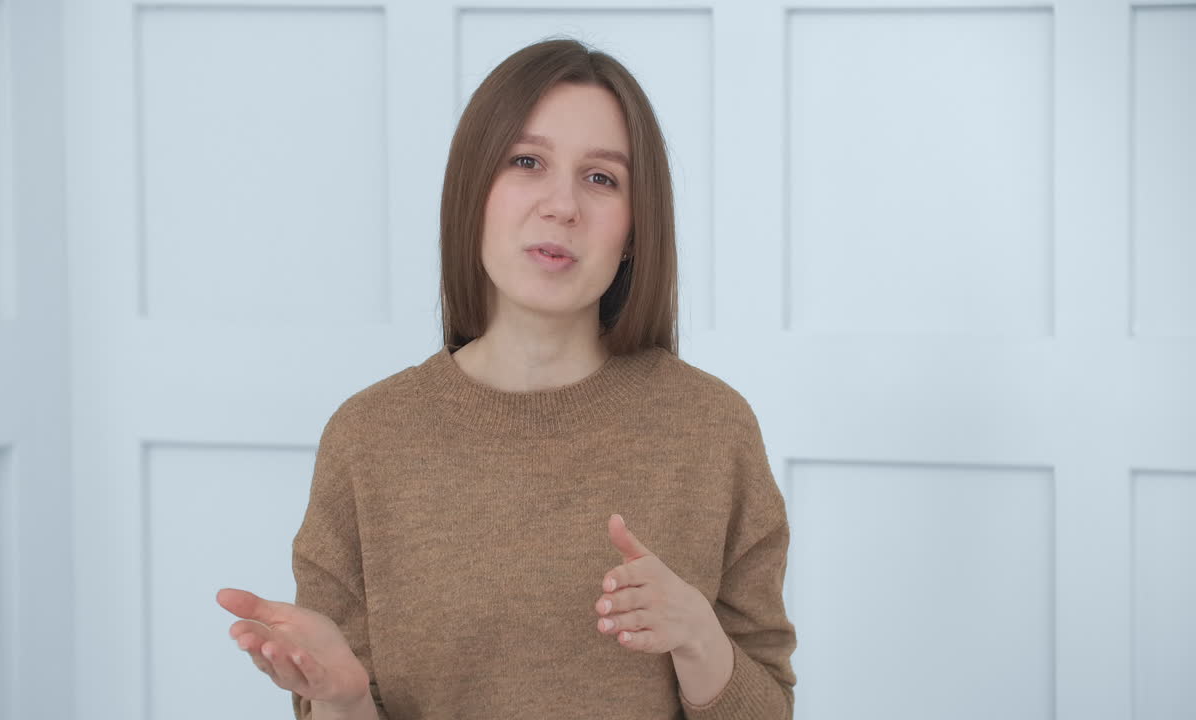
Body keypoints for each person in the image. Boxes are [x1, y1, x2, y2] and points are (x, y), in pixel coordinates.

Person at [216, 37, 796, 720]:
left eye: (602, 178)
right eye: (527, 162)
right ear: (474, 190)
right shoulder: (368, 439)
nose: (562, 205)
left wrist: (702, 641)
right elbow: (340, 699)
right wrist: (341, 701)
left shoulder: (712, 429)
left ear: (636, 229)